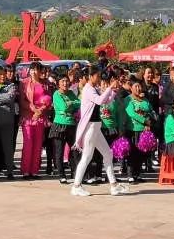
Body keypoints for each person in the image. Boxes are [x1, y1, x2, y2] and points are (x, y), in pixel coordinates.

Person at [70, 70, 127, 198]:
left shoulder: (94, 88)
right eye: (97, 76)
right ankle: (76, 186)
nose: (99, 78)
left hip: (96, 127)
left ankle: (113, 185)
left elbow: (106, 100)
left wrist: (113, 91)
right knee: (87, 157)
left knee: (108, 153)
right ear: (90, 76)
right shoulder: (88, 89)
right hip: (90, 127)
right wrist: (110, 87)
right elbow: (100, 101)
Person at [19, 63, 52, 179]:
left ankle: (34, 170)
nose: (34, 72)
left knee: (38, 145)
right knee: (28, 144)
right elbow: (22, 101)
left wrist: (41, 110)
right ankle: (26, 170)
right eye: (32, 69)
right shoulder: (24, 83)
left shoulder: (46, 83)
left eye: (37, 69)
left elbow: (49, 98)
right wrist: (33, 109)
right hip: (28, 117)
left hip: (40, 117)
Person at [49, 75, 80, 184]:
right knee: (59, 151)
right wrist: (72, 105)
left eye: (67, 81)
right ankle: (61, 175)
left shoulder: (71, 93)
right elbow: (63, 107)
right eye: (63, 81)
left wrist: (71, 104)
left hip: (72, 125)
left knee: (75, 151)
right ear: (58, 83)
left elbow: (79, 103)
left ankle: (76, 173)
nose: (65, 83)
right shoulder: (56, 94)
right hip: (59, 125)